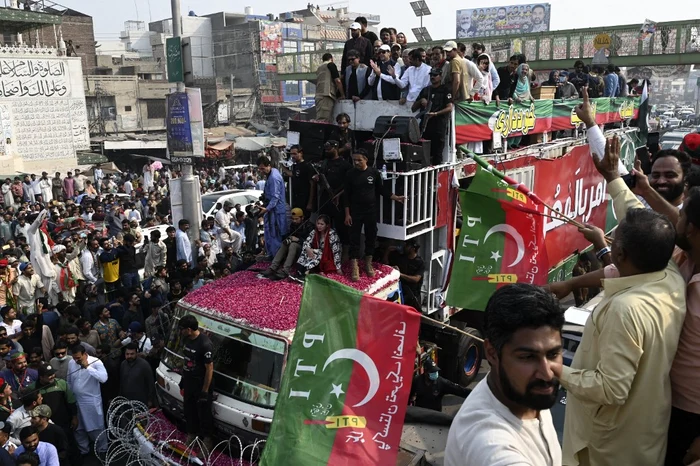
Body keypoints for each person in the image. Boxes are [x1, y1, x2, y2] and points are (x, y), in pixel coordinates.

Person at [550, 136, 685, 466]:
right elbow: (638, 214)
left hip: (610, 448)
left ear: (619, 253)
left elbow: (610, 389)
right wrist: (612, 178)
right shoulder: (668, 274)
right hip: (646, 433)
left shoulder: (627, 309)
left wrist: (555, 369)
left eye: (615, 239)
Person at [444, 284, 564, 466]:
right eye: (528, 357)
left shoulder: (528, 393)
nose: (547, 374)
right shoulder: (488, 442)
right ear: (491, 353)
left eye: (553, 354)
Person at [343, 149, 405, 281]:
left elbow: (381, 190)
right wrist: (347, 214)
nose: (357, 162)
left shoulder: (373, 173)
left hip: (370, 211)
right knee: (354, 238)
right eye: (354, 160)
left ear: (365, 159)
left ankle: (368, 263)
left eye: (359, 160)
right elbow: (346, 196)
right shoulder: (350, 174)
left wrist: (395, 197)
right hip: (355, 211)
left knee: (371, 236)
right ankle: (354, 266)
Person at [177, 315, 214, 451]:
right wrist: (182, 380)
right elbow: (186, 361)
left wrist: (205, 390)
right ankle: (191, 434)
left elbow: (209, 368)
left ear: (189, 329)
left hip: (200, 384)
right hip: (188, 382)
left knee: (204, 413)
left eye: (182, 329)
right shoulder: (187, 339)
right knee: (189, 410)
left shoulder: (205, 344)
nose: (180, 331)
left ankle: (207, 440)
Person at [67, 344, 107, 455]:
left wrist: (88, 367)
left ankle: (102, 450)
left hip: (91, 401)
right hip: (76, 400)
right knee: (79, 428)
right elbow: (69, 381)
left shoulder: (96, 362)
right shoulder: (71, 362)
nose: (76, 360)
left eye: (78, 358)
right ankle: (84, 451)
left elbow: (103, 378)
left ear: (85, 354)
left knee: (96, 427)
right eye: (74, 358)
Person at [412, 68, 453, 166]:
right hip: (425, 126)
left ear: (440, 76)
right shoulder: (426, 90)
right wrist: (421, 101)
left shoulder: (445, 89)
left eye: (435, 75)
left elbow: (449, 108)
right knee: (424, 153)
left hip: (438, 125)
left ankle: (436, 178)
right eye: (431, 75)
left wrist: (436, 114)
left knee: (437, 154)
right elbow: (413, 108)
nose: (433, 77)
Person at [262, 208, 312, 280]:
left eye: (296, 219)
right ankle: (273, 267)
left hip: (305, 248)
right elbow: (290, 235)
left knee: (293, 245)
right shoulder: (293, 225)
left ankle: (285, 270)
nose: (294, 221)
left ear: (302, 218)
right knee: (285, 243)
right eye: (293, 219)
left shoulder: (308, 226)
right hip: (296, 246)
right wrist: (289, 238)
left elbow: (311, 241)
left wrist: (298, 240)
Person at [257, 156, 289, 259]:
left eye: (263, 168)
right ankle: (272, 255)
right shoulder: (271, 173)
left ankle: (276, 257)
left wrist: (267, 208)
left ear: (269, 166)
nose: (261, 171)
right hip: (271, 210)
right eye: (260, 169)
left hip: (276, 211)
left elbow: (275, 197)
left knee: (276, 235)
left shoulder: (274, 178)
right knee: (270, 234)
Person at [388, 239, 425, 311]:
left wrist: (399, 274)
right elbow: (386, 262)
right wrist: (388, 251)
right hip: (401, 291)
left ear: (413, 249)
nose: (404, 247)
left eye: (407, 245)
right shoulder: (401, 258)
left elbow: (416, 279)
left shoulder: (419, 262)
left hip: (412, 294)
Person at [119, 342, 154, 406]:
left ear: (136, 353)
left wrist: (150, 400)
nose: (129, 356)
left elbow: (150, 383)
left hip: (140, 401)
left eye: (132, 354)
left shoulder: (144, 365)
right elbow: (122, 382)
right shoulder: (123, 364)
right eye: (127, 354)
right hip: (126, 400)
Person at [282, 146, 314, 214]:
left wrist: (310, 202)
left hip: (304, 198)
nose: (293, 156)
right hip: (295, 198)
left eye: (295, 154)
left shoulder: (307, 166)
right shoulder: (295, 166)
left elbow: (312, 184)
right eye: (291, 154)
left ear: (301, 153)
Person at [314, 53, 344, 123]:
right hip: (326, 96)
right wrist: (342, 94)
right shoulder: (330, 65)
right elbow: (337, 81)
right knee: (323, 121)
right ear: (332, 59)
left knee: (321, 118)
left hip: (319, 96)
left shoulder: (319, 68)